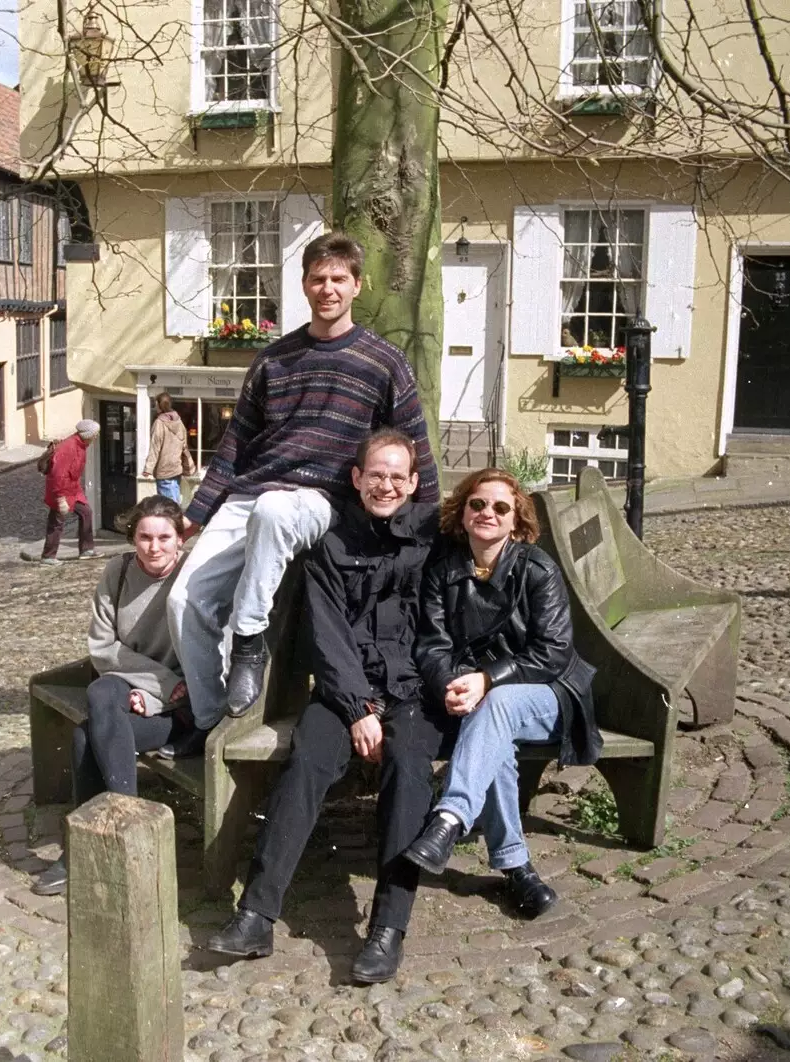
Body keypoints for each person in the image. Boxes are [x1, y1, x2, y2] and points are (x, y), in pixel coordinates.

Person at [168, 232, 440, 742]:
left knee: (274, 510)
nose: (328, 288)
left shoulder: (385, 362)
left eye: (339, 278)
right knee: (184, 601)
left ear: (357, 285)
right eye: (318, 278)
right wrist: (196, 514)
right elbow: (234, 444)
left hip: (322, 499)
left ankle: (249, 640)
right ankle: (208, 722)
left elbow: (414, 447)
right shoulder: (274, 359)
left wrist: (433, 525)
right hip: (251, 493)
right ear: (304, 285)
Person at [205, 429, 452, 983]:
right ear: (357, 478)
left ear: (414, 484)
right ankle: (256, 917)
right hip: (346, 691)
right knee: (308, 764)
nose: (386, 485)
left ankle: (388, 930)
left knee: (410, 773)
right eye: (376, 474)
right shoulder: (331, 543)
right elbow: (327, 633)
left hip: (413, 691)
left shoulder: (434, 540)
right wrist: (357, 706)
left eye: (397, 476)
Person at [399, 469, 602, 918]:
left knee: (496, 705)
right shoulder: (444, 569)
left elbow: (552, 652)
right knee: (494, 740)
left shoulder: (538, 570)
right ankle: (518, 870)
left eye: (500, 507)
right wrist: (450, 684)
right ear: (463, 511)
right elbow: (431, 644)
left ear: (517, 521)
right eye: (477, 504)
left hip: (549, 695)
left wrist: (486, 680)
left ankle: (449, 817)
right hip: (480, 702)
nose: (487, 513)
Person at [31, 495, 195, 895]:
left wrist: (157, 697)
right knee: (102, 690)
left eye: (163, 537)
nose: (153, 547)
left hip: (186, 706)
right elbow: (103, 646)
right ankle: (130, 826)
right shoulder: (118, 572)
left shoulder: (195, 575)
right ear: (132, 537)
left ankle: (80, 852)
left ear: (180, 539)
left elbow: (209, 656)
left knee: (85, 735)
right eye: (144, 537)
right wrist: (149, 684)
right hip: (134, 683)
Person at [40, 419, 100, 565]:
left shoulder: (81, 445)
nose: (96, 437)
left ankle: (86, 550)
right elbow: (58, 475)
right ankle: (48, 556)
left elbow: (74, 473)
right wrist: (61, 499)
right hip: (60, 491)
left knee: (86, 512)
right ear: (88, 434)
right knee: (56, 522)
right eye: (95, 434)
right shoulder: (69, 448)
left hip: (73, 490)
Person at [141, 392, 192, 504]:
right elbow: (184, 443)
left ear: (160, 405)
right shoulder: (178, 421)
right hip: (176, 468)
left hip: (164, 470)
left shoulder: (159, 423)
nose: (155, 407)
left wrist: (148, 469)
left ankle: (176, 521)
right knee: (174, 502)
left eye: (156, 404)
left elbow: (155, 447)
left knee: (169, 509)